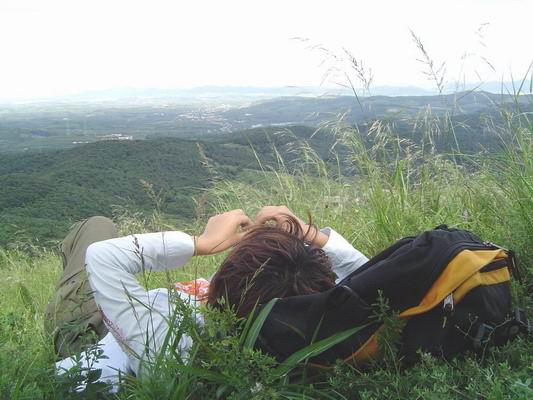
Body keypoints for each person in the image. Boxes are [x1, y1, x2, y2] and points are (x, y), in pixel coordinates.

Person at [46, 206, 368, 387]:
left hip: (100, 336)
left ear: (222, 285)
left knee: (95, 225)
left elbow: (102, 257)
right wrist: (311, 236)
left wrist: (202, 242)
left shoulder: (167, 348)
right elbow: (369, 279)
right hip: (144, 317)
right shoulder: (281, 319)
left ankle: (60, 321)